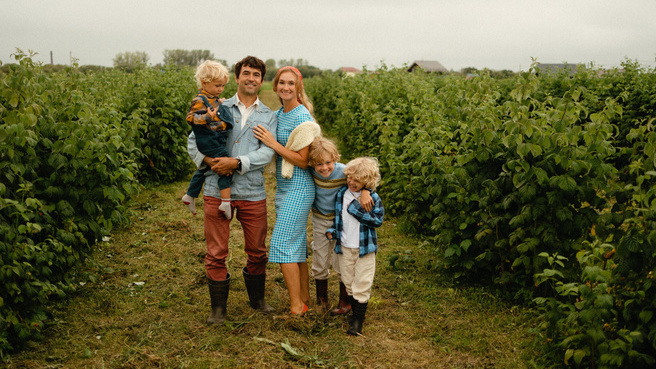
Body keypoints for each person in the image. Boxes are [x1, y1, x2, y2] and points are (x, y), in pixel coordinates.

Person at [187, 56, 277, 325]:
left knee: (258, 250)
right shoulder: (216, 106)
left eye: (256, 75)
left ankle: (257, 300)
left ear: (262, 81)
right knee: (216, 252)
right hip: (216, 188)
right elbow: (194, 144)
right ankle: (218, 309)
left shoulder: (268, 116)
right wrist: (212, 162)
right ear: (236, 78)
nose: (251, 78)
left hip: (252, 191)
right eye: (246, 73)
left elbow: (267, 152)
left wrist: (237, 162)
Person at [253, 66, 320, 315]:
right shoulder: (280, 113)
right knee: (296, 246)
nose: (286, 87)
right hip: (284, 187)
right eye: (282, 83)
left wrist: (273, 143)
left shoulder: (302, 117)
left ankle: (296, 309)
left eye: (291, 83)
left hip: (300, 187)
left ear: (298, 87)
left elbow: (303, 160)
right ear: (275, 86)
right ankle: (304, 300)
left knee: (281, 244)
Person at [307, 137, 373, 313]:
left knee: (341, 260)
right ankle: (322, 300)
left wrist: (366, 191)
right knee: (320, 259)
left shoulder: (344, 172)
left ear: (335, 158)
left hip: (342, 222)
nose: (324, 167)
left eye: (328, 162)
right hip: (320, 220)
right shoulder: (311, 172)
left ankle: (345, 301)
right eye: (318, 164)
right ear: (312, 163)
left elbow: (365, 178)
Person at [326, 157, 384, 336]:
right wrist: (332, 231)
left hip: (364, 248)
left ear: (367, 182)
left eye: (357, 180)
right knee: (348, 281)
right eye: (349, 177)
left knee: (363, 282)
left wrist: (356, 210)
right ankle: (353, 310)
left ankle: (358, 321)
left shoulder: (372, 197)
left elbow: (377, 220)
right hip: (344, 246)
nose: (351, 182)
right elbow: (339, 218)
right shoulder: (342, 194)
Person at [181, 60, 234, 218]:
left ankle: (190, 195)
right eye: (217, 85)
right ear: (204, 82)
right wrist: (207, 117)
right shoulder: (199, 100)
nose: (221, 89)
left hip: (214, 138)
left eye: (223, 86)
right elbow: (190, 118)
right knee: (225, 166)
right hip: (208, 139)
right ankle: (225, 202)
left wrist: (221, 103)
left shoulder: (213, 98)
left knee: (204, 168)